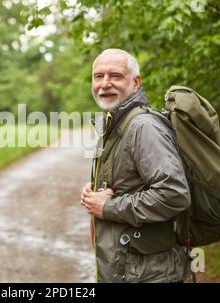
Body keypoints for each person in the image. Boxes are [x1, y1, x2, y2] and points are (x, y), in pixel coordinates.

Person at [80, 49, 191, 283]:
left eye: (116, 76)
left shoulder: (143, 127)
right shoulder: (114, 123)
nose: (105, 83)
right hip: (128, 271)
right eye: (98, 76)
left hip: (150, 275)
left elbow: (174, 194)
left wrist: (109, 207)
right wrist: (96, 190)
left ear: (135, 82)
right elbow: (131, 181)